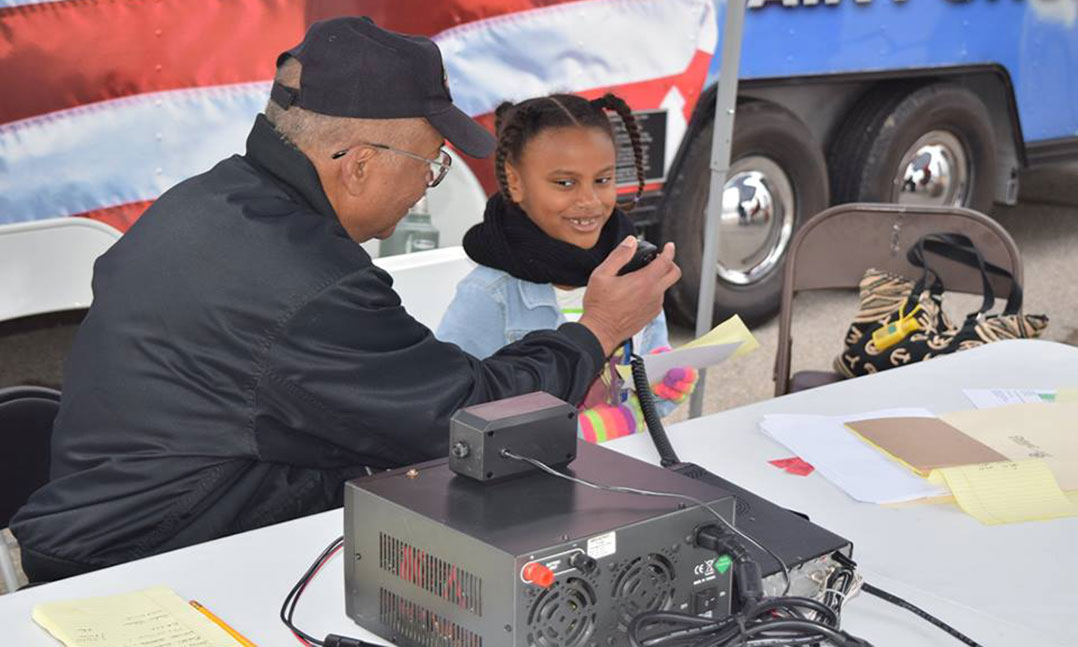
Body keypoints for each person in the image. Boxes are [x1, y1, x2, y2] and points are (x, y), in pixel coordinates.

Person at [10, 18, 680, 582]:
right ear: (359, 162)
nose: (429, 182)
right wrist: (594, 330)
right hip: (138, 571)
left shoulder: (204, 200)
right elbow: (462, 415)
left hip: (122, 533)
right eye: (430, 160)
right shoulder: (305, 278)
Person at [438, 94, 697, 444]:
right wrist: (579, 433)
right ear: (515, 183)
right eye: (565, 183)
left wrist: (661, 388)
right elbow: (452, 415)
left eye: (602, 180)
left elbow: (635, 405)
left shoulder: (634, 272)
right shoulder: (487, 295)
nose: (589, 200)